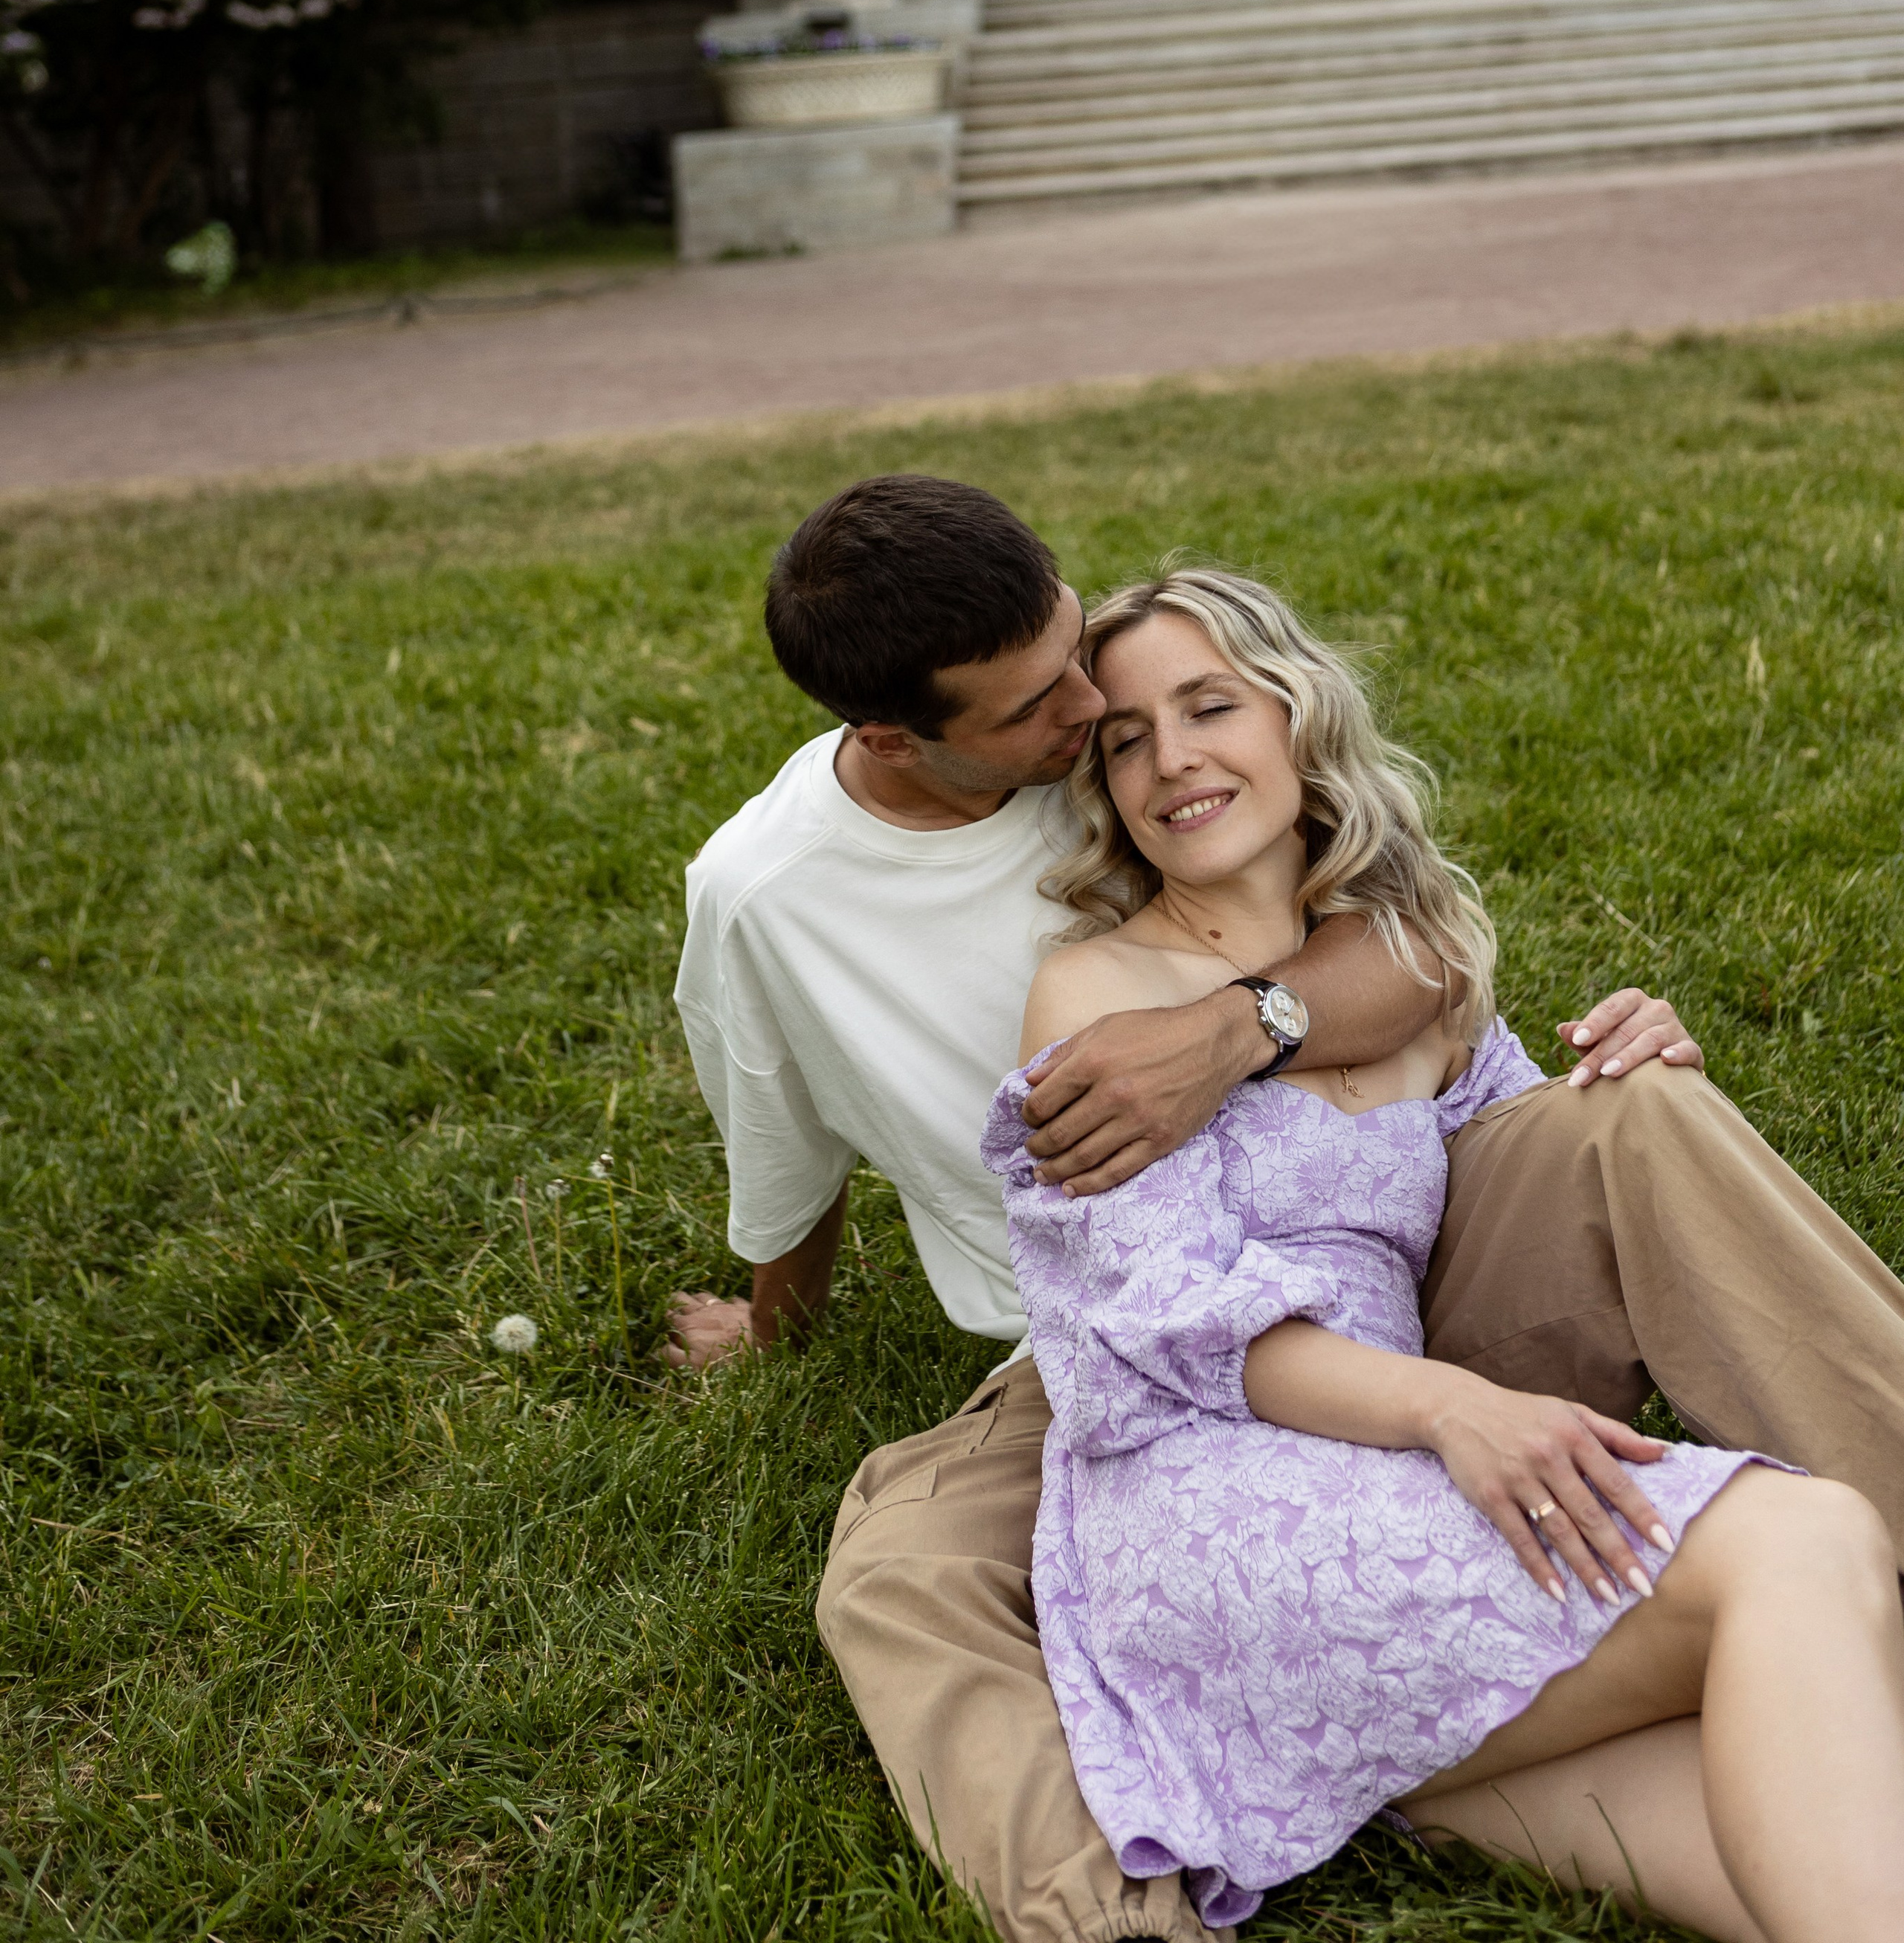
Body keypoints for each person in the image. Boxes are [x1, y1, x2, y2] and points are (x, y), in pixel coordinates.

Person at [670, 476, 1904, 1943]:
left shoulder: (1293, 855)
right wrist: (771, 1320)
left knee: (1640, 1127)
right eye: (1091, 727)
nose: (1095, 723)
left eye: (1151, 695)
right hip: (1141, 1406)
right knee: (899, 1566)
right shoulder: (825, 905)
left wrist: (1598, 1067)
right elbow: (837, 1164)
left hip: (1378, 1358)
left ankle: (1389, 1731)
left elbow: (1429, 1003)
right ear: (898, 736)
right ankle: (1134, 1905)